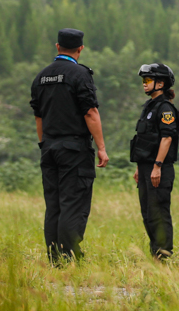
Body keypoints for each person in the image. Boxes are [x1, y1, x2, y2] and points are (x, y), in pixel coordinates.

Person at [30, 28, 109, 264]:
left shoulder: (41, 77)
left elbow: (39, 117)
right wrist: (101, 147)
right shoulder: (80, 74)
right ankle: (69, 257)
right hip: (74, 149)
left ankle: (55, 257)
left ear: (57, 47)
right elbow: (90, 112)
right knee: (72, 203)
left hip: (49, 148)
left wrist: (44, 144)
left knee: (53, 205)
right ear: (80, 49)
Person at [130, 63, 179, 260]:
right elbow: (143, 140)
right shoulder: (149, 107)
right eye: (143, 80)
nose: (144, 83)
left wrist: (157, 166)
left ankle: (163, 254)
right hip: (145, 168)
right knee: (148, 213)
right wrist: (139, 167)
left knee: (159, 212)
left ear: (160, 84)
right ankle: (155, 253)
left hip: (158, 168)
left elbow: (167, 138)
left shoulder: (165, 108)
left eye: (148, 80)